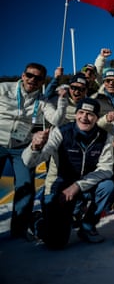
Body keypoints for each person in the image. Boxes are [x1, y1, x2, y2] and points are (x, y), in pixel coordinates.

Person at [22, 98, 114, 249]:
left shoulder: (105, 137)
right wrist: (34, 147)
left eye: (90, 114)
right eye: (81, 112)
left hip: (84, 185)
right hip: (60, 185)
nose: (84, 117)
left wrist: (77, 186)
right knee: (56, 243)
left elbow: (106, 169)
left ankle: (87, 226)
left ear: (97, 118)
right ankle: (37, 220)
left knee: (108, 186)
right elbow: (30, 162)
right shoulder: (61, 132)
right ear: (76, 114)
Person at [0, 62, 66, 239]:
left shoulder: (42, 100)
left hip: (21, 146)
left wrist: (62, 100)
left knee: (26, 186)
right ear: (23, 75)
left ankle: (19, 231)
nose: (32, 80)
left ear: (42, 81)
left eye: (38, 78)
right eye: (29, 75)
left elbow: (56, 119)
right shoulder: (3, 88)